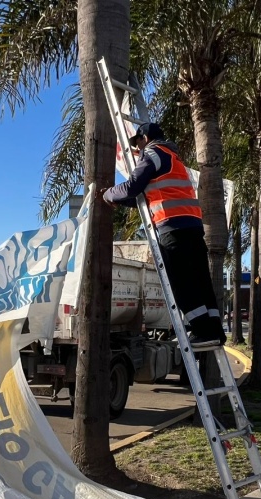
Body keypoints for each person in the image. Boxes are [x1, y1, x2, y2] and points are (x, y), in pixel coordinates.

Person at [102, 122, 226, 346]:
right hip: (193, 227)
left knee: (181, 281)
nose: (137, 149)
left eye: (137, 142)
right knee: (201, 281)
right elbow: (147, 196)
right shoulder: (174, 159)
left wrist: (108, 195)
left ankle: (201, 330)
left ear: (145, 138)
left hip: (172, 228)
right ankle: (215, 331)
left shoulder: (152, 153)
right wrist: (120, 201)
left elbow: (131, 187)